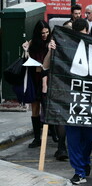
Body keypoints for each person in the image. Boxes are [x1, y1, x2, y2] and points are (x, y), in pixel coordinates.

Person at [66, 19, 92, 185]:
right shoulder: (64, 46)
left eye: (83, 34)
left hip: (90, 102)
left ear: (88, 31)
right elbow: (44, 67)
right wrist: (51, 51)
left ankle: (84, 161)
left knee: (91, 136)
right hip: (70, 101)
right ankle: (79, 171)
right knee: (73, 139)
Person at [21, 20, 56, 148]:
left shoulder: (51, 42)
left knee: (48, 107)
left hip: (48, 78)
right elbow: (26, 60)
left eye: (47, 32)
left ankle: (54, 132)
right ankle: (37, 138)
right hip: (34, 78)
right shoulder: (32, 43)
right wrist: (26, 50)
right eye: (42, 33)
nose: (45, 35)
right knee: (35, 108)